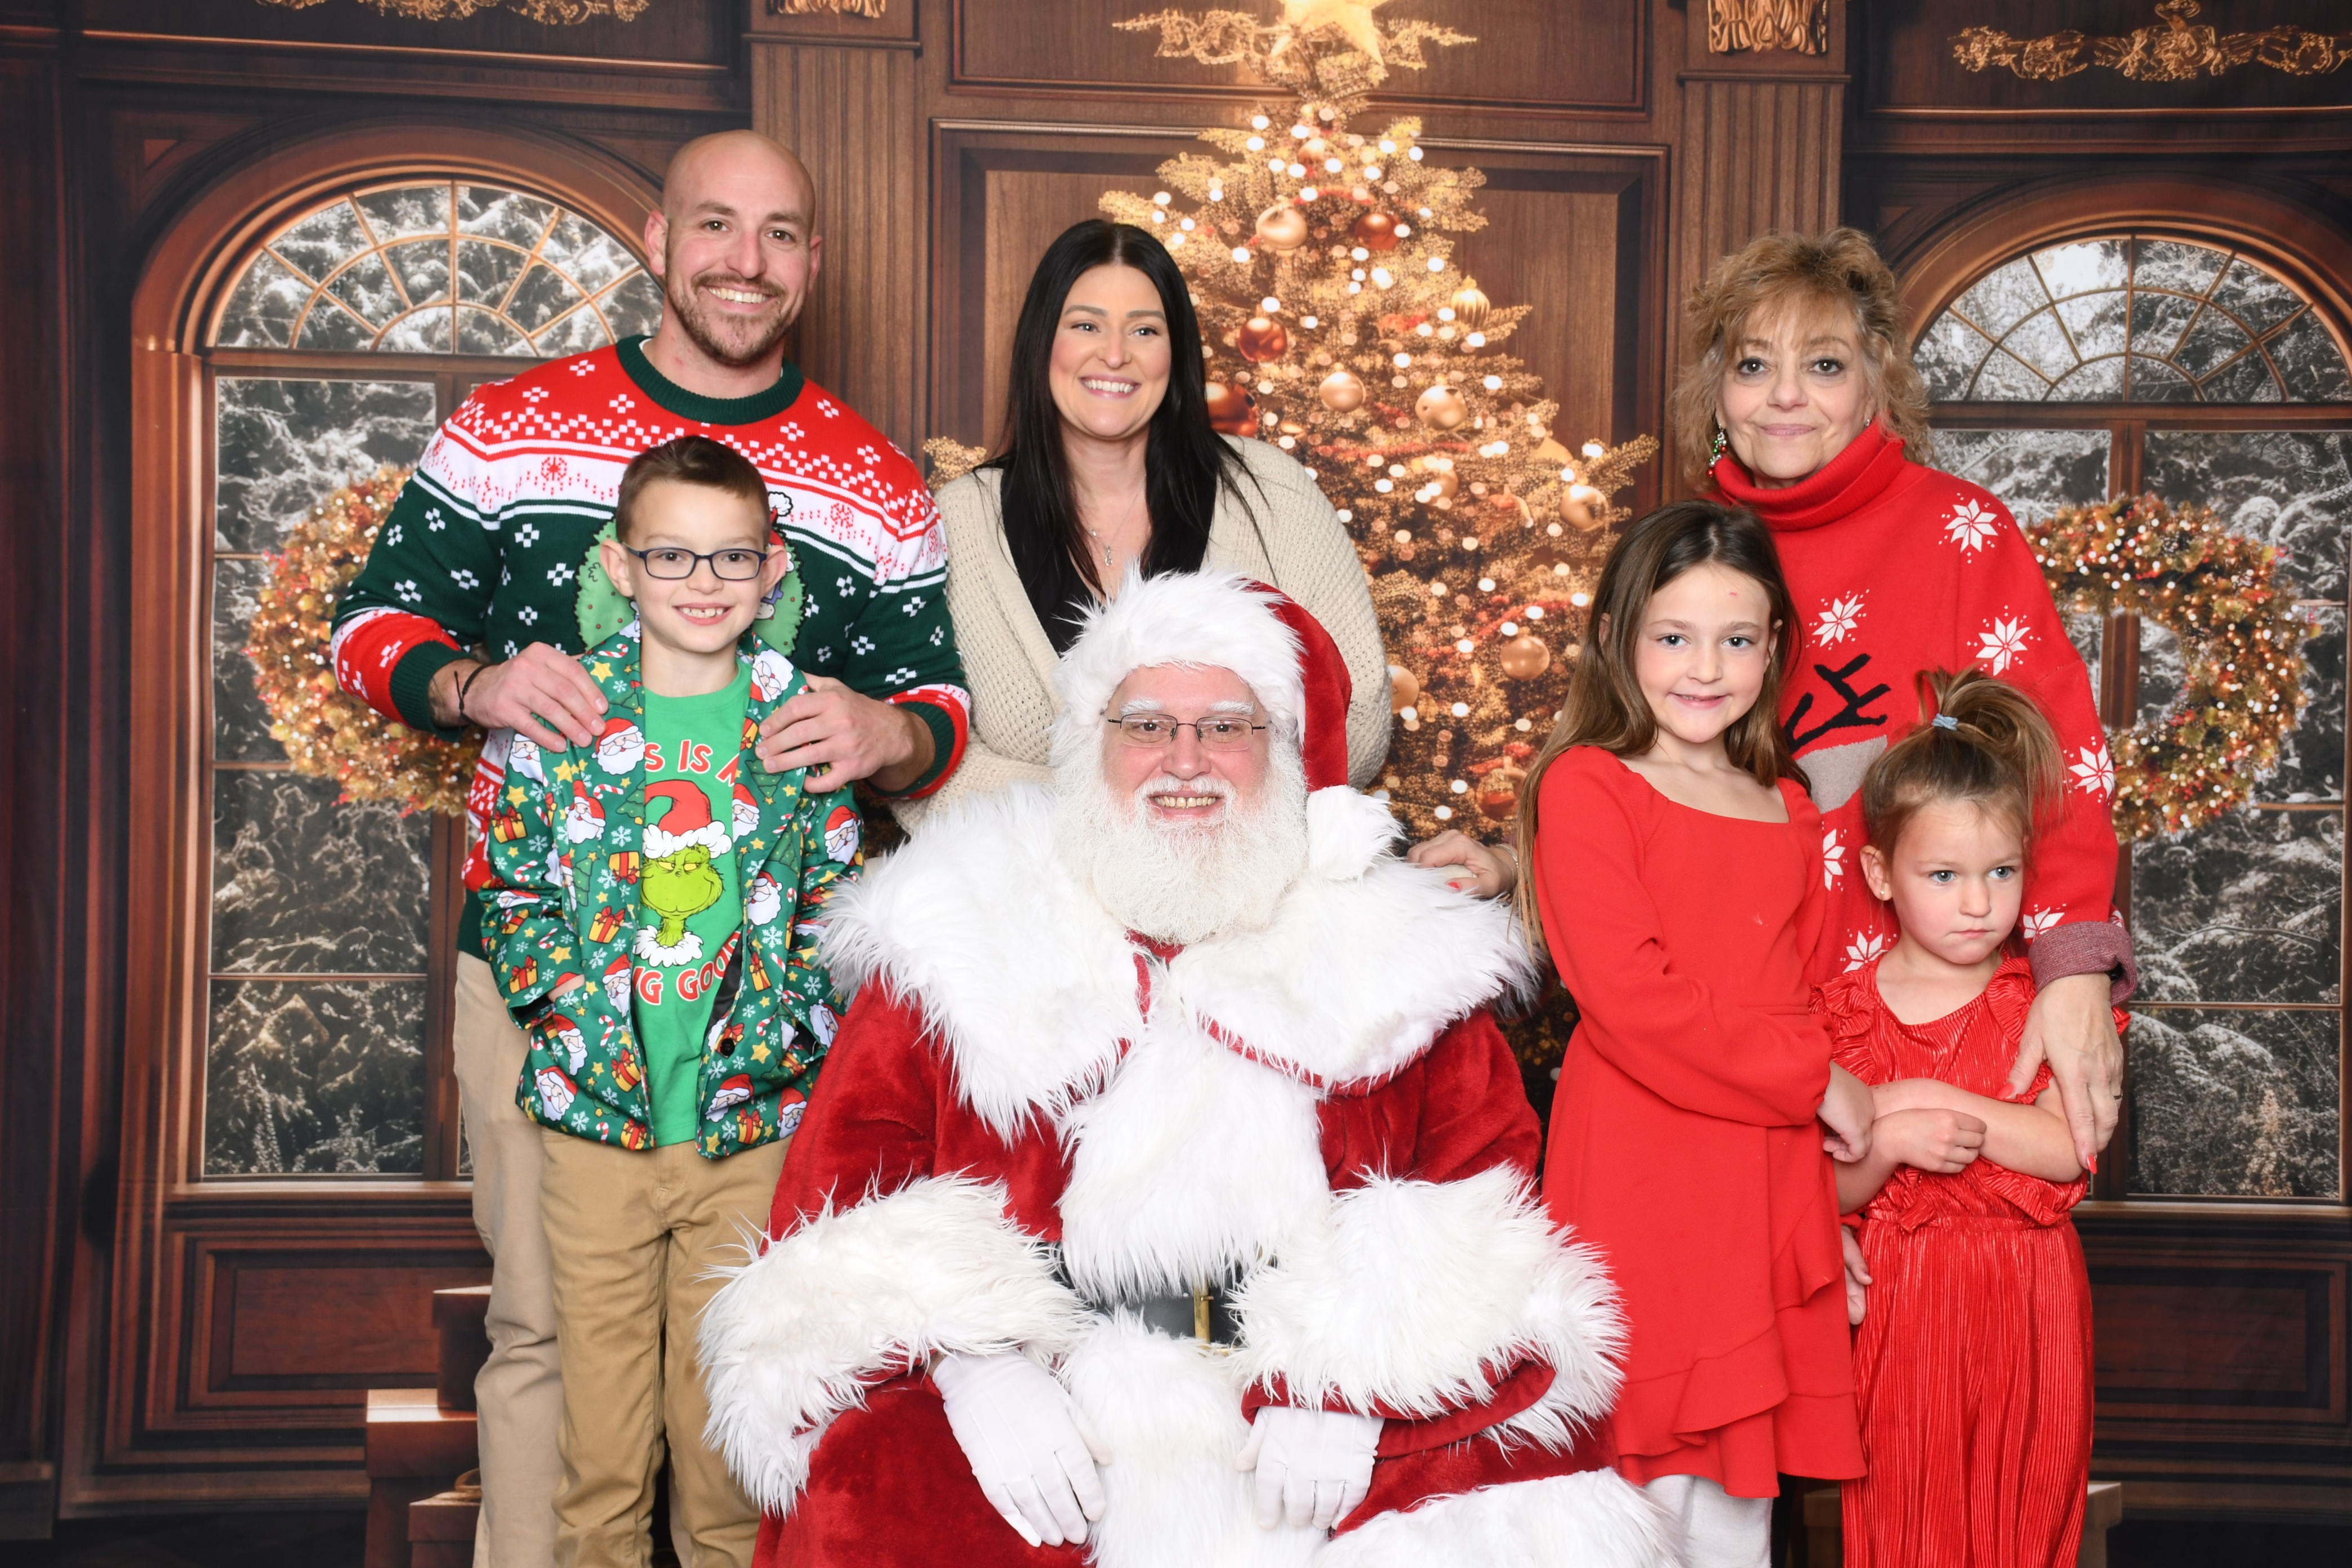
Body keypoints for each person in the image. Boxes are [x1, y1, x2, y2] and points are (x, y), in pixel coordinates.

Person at [696, 571, 1673, 1568]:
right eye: (1148, 725)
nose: (1185, 761)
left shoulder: (1399, 957)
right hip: (1045, 1391)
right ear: (1092, 744)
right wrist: (968, 1360)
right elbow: (840, 1200)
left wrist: (1354, 1378)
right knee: (878, 1492)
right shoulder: (959, 931)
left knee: (1508, 1517)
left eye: (1228, 727)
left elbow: (1482, 1196)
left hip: (1302, 1412)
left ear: (1285, 751)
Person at [329, 130, 969, 1566]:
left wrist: (888, 729)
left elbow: (938, 712)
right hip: (546, 980)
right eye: (716, 226)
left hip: (757, 1018)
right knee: (548, 1325)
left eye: (782, 233)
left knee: (738, 1332)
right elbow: (368, 625)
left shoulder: (872, 478)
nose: (749, 260)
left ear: (813, 258)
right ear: (659, 239)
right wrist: (474, 684)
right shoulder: (511, 426)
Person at [1423, 229, 2131, 1171]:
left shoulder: (1962, 533)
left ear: (1876, 384)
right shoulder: (1694, 557)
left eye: (1824, 365)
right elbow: (1646, 781)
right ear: (1717, 392)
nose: (1785, 395)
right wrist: (1520, 866)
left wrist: (2074, 966)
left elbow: (2061, 767)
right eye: (1754, 365)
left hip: (1929, 1017)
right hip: (1741, 1041)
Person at [480, 436, 861, 1567]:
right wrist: (563, 1013)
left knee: (726, 1446)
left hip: (751, 1128)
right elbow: (511, 883)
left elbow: (835, 896)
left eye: (731, 557)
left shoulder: (799, 717)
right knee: (600, 1447)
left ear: (772, 568)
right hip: (596, 1127)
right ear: (622, 565)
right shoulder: (566, 711)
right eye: (672, 556)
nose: (704, 581)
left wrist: (791, 1031)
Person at [1523, 502, 1872, 1568]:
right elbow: (1631, 998)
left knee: (1736, 1481)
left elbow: (1801, 988)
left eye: (1737, 638)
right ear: (1616, 637)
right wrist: (1812, 1078)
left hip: (1762, 1166)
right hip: (1645, 1158)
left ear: (1776, 648)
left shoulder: (1786, 801)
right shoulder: (1589, 784)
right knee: (1642, 1458)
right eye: (1673, 636)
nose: (1705, 668)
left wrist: (1814, 1207)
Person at [900, 218, 1387, 828]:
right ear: (1042, 343)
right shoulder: (961, 520)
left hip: (1251, 874)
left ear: (1175, 353)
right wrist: (1125, 809)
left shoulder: (1274, 495)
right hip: (1022, 880)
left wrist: (1203, 809)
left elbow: (1360, 715)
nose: (1114, 354)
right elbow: (926, 756)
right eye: (1086, 325)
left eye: (1145, 330)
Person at [1816, 670, 2110, 1568]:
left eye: (2001, 873)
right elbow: (1831, 1188)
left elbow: (2067, 1148)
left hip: (2030, 1301)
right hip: (1903, 1308)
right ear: (1881, 873)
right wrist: (1892, 1141)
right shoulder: (1840, 1016)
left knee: (2024, 1513)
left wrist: (1924, 1099)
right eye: (1944, 876)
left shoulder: (2041, 1005)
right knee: (1908, 1517)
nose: (1978, 904)